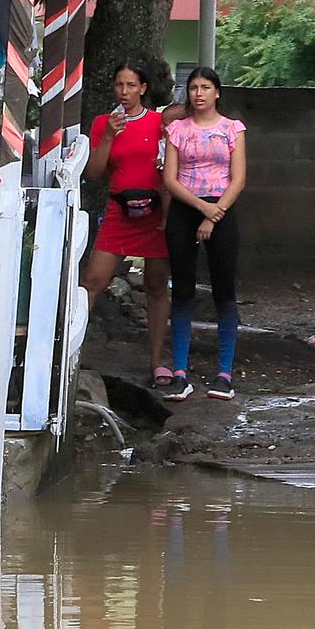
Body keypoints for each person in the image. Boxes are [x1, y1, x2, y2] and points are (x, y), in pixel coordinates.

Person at [81, 60, 173, 387]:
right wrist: (107, 136)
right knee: (93, 280)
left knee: (156, 286)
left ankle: (157, 362)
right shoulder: (103, 123)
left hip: (155, 213)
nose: (124, 92)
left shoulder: (159, 122)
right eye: (119, 85)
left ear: (143, 88)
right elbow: (92, 174)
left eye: (131, 85)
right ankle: (69, 354)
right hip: (120, 211)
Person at [162, 66, 247, 401]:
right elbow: (170, 179)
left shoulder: (232, 130)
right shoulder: (177, 130)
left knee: (223, 290)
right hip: (185, 207)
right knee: (182, 290)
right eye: (193, 87)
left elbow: (238, 178)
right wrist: (201, 208)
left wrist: (214, 213)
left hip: (222, 209)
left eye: (206, 87)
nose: (198, 93)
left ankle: (224, 373)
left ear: (217, 93)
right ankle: (180, 372)